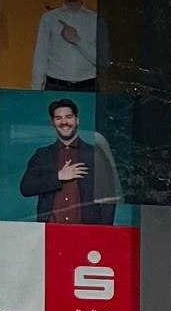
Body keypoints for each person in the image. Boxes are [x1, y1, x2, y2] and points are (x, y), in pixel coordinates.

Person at [17, 96, 120, 224]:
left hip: (86, 232)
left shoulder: (95, 153)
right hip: (50, 232)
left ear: (77, 120)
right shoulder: (42, 155)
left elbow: (109, 199)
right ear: (52, 122)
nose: (64, 122)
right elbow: (26, 188)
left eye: (69, 117)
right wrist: (59, 176)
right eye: (58, 118)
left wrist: (103, 233)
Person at [28, 0, 99, 90]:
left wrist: (77, 41)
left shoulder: (95, 20)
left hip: (88, 87)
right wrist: (35, 93)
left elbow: (102, 61)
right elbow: (40, 58)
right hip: (56, 85)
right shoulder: (49, 18)